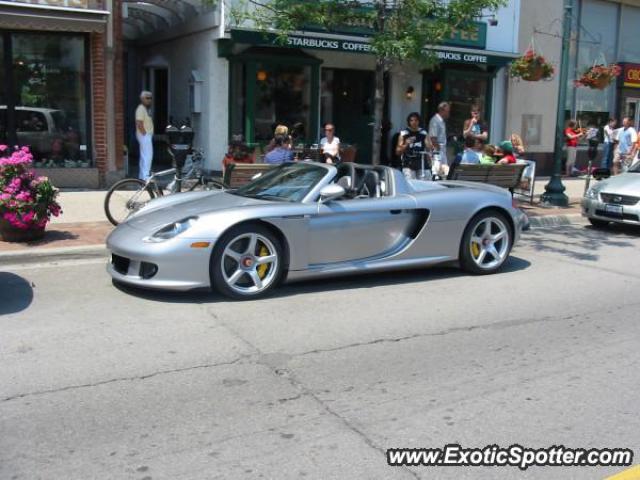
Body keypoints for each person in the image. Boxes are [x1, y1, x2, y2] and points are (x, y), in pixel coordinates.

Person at [396, 112, 430, 179]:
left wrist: (430, 147)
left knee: (425, 184)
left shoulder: (423, 133)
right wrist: (406, 144)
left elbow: (429, 148)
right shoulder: (404, 134)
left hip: (421, 163)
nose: (414, 122)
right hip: (408, 164)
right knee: (411, 184)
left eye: (416, 120)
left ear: (419, 121)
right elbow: (397, 151)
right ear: (409, 122)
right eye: (412, 120)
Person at [135, 91, 154, 181]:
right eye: (147, 98)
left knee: (144, 155)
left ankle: (142, 176)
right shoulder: (141, 109)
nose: (149, 100)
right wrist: (145, 134)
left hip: (146, 135)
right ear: (142, 99)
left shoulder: (146, 109)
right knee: (148, 155)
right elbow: (139, 122)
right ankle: (146, 176)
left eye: (150, 98)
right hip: (144, 135)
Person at [429, 102, 450, 175]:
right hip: (437, 152)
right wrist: (437, 153)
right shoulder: (435, 121)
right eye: (447, 111)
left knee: (444, 173)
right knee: (437, 172)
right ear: (442, 110)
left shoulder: (442, 121)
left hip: (442, 151)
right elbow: (433, 138)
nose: (448, 113)